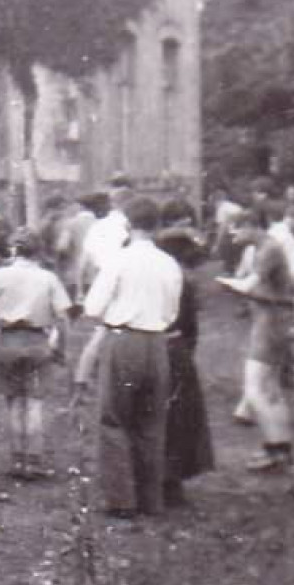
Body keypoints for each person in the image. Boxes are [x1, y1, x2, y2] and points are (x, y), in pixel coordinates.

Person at [82, 196, 181, 518]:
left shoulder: (119, 260)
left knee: (114, 418)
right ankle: (151, 499)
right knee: (152, 421)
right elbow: (172, 311)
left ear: (127, 224)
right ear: (158, 226)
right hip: (157, 342)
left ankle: (122, 499)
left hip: (124, 339)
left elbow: (93, 307)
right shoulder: (169, 263)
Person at [0, 228, 73, 480]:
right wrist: (60, 348)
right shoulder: (47, 278)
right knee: (35, 403)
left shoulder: (0, 275)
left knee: (14, 402)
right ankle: (34, 460)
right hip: (37, 340)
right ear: (37, 251)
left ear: (14, 249)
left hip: (8, 340)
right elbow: (63, 315)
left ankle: (17, 459)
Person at [219, 208, 294, 473]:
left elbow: (248, 285)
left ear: (252, 225)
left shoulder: (267, 249)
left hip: (271, 322)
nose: (232, 233)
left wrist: (225, 282)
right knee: (271, 390)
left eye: (237, 228)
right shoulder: (266, 246)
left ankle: (276, 450)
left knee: (255, 389)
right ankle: (280, 451)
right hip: (275, 318)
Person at [155, 228, 215, 507]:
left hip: (151, 343)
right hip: (176, 347)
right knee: (178, 418)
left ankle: (155, 477)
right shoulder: (185, 280)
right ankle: (172, 482)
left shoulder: (156, 276)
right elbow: (191, 328)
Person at [70, 186, 131, 408]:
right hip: (124, 280)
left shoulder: (97, 228)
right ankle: (106, 380)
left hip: (102, 279)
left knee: (103, 331)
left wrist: (80, 289)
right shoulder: (127, 225)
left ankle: (82, 381)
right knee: (118, 331)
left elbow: (84, 261)